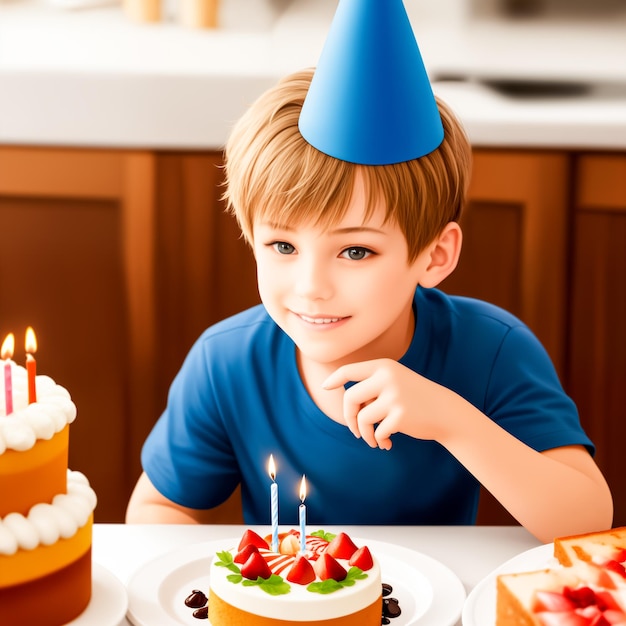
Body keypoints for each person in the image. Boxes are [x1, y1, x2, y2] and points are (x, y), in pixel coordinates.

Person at [126, 68, 613, 542]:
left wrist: (452, 420)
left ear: (434, 255)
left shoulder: (491, 350)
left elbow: (587, 520)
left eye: (355, 251)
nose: (311, 286)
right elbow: (157, 507)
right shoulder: (226, 362)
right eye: (282, 247)